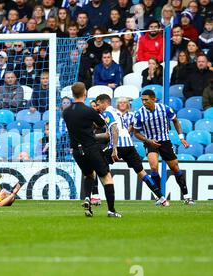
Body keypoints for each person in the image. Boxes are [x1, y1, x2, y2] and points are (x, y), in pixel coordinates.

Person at [95, 94, 168, 206]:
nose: (97, 107)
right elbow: (108, 133)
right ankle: (162, 198)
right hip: (129, 145)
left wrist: (114, 149)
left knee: (96, 165)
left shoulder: (107, 113)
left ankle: (95, 196)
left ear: (105, 103)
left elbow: (114, 130)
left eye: (98, 104)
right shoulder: (117, 112)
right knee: (141, 173)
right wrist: (93, 137)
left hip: (118, 145)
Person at [62, 82, 121, 218]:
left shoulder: (66, 112)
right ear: (85, 93)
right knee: (106, 177)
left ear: (72, 94)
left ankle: (87, 198)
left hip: (76, 151)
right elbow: (101, 124)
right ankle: (111, 210)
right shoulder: (89, 111)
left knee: (89, 174)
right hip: (91, 148)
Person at [133, 89, 194, 205]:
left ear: (153, 99)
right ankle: (161, 197)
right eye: (142, 100)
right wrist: (148, 140)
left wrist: (181, 137)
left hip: (164, 141)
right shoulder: (139, 114)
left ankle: (187, 196)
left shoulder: (164, 109)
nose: (144, 102)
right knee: (154, 167)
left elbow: (175, 121)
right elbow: (136, 133)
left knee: (175, 167)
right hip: (150, 142)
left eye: (146, 100)